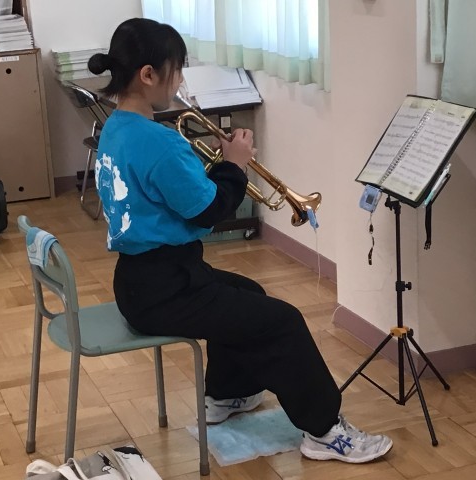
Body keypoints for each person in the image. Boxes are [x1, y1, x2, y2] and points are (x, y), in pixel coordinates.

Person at [88, 17, 393, 464]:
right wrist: (234, 164)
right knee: (284, 321)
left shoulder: (115, 127)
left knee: (248, 293)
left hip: (141, 279)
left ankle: (226, 394)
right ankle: (325, 431)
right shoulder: (159, 143)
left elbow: (171, 194)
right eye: (177, 69)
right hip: (167, 286)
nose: (180, 80)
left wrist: (219, 169)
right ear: (148, 74)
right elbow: (210, 211)